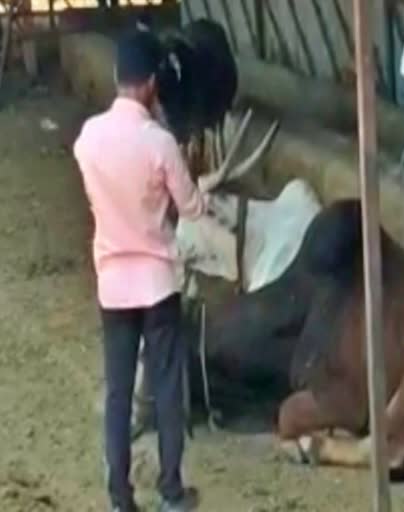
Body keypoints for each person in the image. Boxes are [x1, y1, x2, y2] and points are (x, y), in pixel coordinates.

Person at [73, 30, 205, 512]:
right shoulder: (160, 142)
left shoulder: (87, 139)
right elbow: (191, 208)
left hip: (113, 287)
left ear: (115, 78)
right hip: (157, 284)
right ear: (151, 83)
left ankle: (120, 496)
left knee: (118, 392)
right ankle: (171, 492)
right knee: (168, 390)